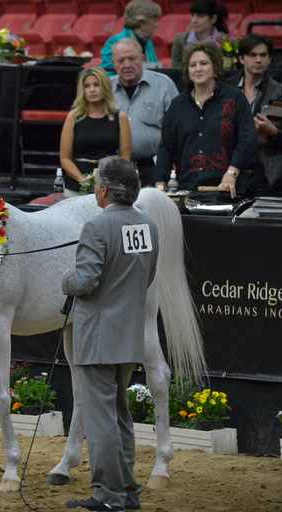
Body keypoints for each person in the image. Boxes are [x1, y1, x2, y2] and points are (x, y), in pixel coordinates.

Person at [62, 156, 155, 512]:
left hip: (98, 335)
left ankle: (110, 495)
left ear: (102, 190)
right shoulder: (147, 226)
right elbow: (145, 277)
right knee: (119, 415)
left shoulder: (96, 227)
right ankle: (127, 491)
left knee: (102, 420)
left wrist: (65, 279)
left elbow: (84, 281)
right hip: (128, 334)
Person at [153, 41, 255, 198]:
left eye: (204, 63)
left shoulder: (235, 98)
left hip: (226, 188)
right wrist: (160, 182)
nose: (198, 69)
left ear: (215, 67)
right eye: (193, 65)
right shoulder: (177, 105)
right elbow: (166, 146)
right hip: (187, 188)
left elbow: (247, 140)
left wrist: (232, 173)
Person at [223, 33, 282, 197]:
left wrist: (274, 132)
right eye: (253, 55)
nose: (258, 60)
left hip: (266, 174)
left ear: (269, 59)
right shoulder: (225, 89)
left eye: (263, 55)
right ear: (241, 59)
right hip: (230, 169)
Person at [110, 37, 178, 186]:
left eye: (132, 59)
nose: (127, 65)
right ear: (114, 64)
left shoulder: (164, 85)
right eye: (121, 61)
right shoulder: (107, 89)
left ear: (142, 59)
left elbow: (178, 128)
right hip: (117, 169)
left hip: (154, 167)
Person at [60, 67, 132, 197]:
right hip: (77, 184)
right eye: (87, 86)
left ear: (105, 87)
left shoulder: (120, 117)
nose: (92, 90)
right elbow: (65, 158)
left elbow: (124, 157)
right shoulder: (73, 117)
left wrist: (108, 178)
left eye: (96, 85)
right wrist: (84, 180)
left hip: (108, 183)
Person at [100, 0, 163, 76]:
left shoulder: (148, 42)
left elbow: (155, 70)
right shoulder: (115, 42)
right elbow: (107, 76)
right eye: (155, 20)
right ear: (142, 23)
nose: (157, 25)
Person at [171, 0, 229, 71]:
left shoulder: (226, 41)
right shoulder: (180, 40)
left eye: (200, 16)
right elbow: (176, 71)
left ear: (213, 18)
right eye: (192, 15)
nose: (194, 21)